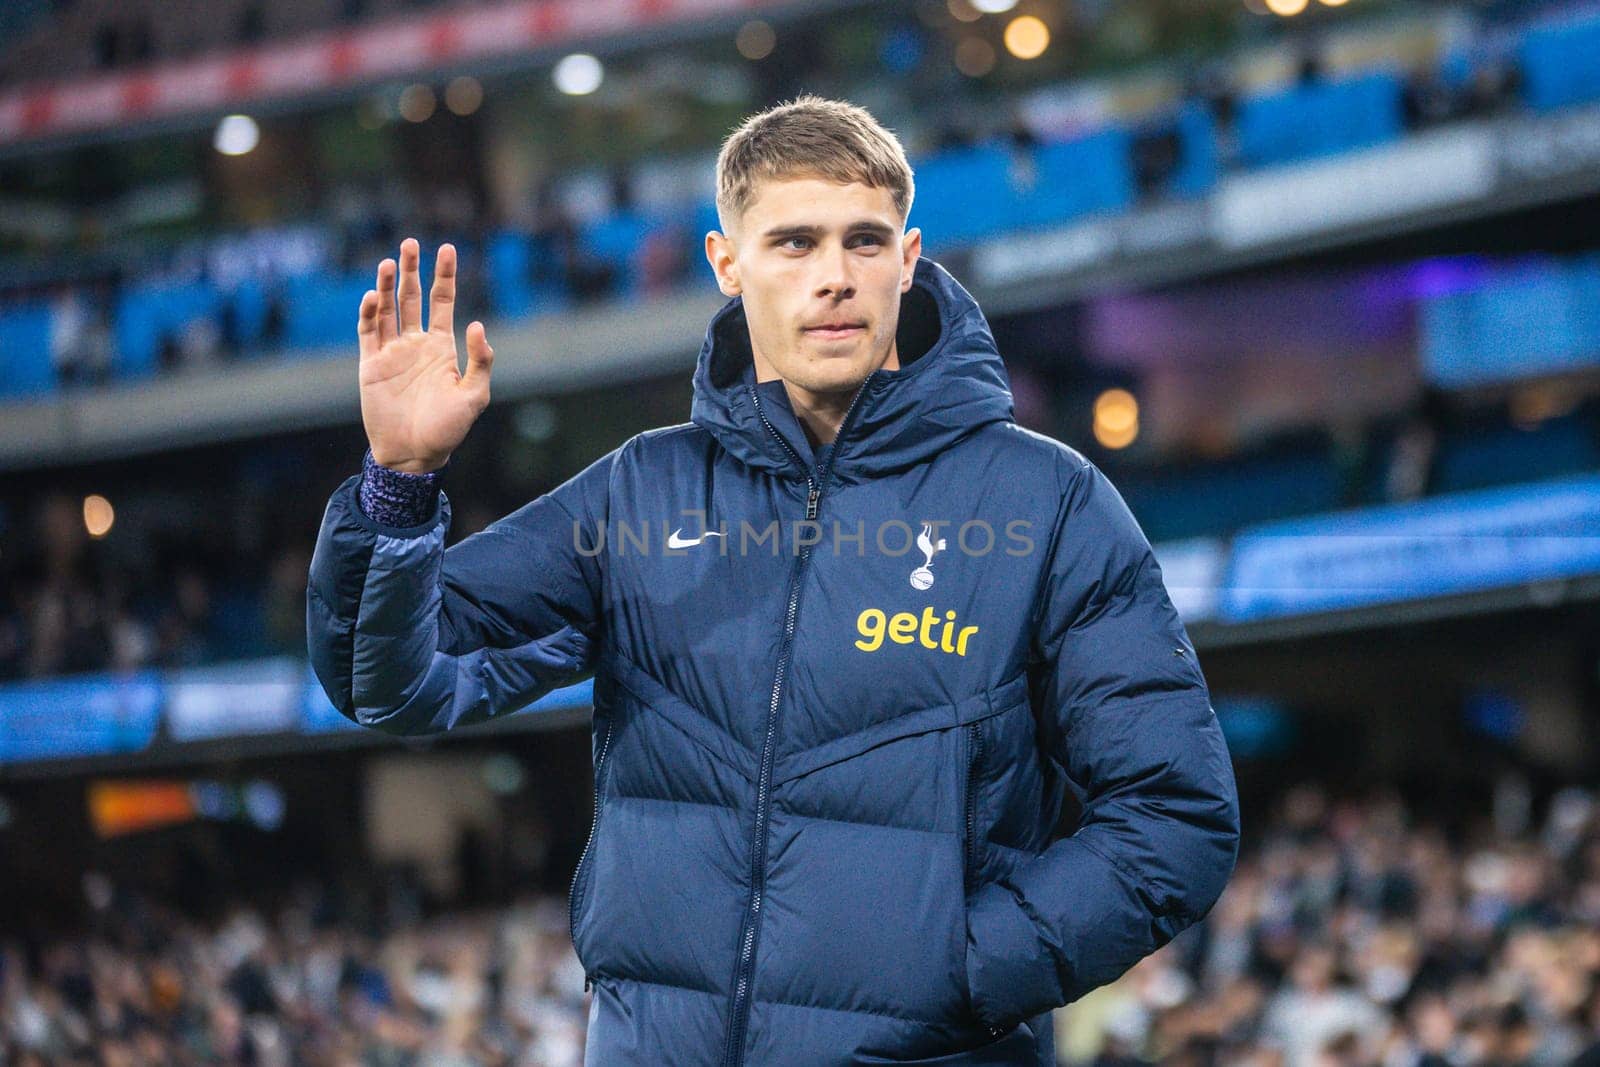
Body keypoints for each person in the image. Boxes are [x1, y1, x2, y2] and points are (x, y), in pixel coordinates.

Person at [306, 95, 1240, 1067]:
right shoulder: (640, 492)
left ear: (909, 258)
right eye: (792, 242)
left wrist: (956, 973)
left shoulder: (1046, 504)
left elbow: (1176, 816)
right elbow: (391, 683)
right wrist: (398, 486)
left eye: (863, 241)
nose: (833, 277)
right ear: (726, 263)